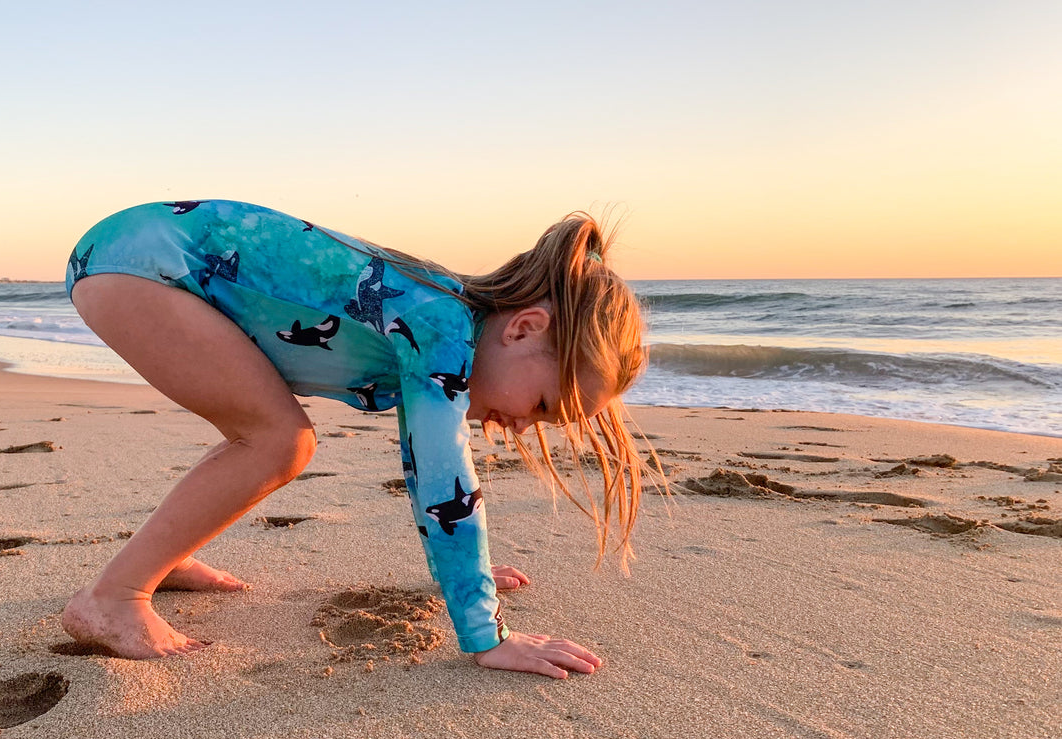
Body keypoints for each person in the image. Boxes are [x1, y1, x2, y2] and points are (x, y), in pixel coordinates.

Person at [60, 199, 648, 679]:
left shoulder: (443, 314)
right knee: (278, 441)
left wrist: (470, 573)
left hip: (133, 254)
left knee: (263, 436)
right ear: (524, 329)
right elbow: (442, 479)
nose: (525, 426)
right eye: (543, 406)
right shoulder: (442, 332)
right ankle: (115, 596)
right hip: (145, 267)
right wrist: (485, 633)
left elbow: (441, 490)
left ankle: (163, 557)